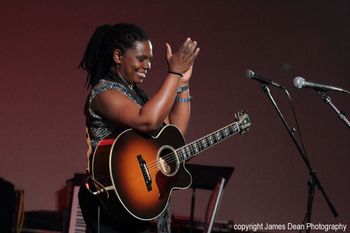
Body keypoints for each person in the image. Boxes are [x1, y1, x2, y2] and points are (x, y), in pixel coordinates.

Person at [78, 23, 199, 233]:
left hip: (136, 199)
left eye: (150, 60)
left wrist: (182, 83)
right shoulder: (104, 93)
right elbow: (147, 120)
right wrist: (174, 72)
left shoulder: (137, 95)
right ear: (118, 56)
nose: (148, 66)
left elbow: (174, 133)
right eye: (141, 59)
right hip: (110, 201)